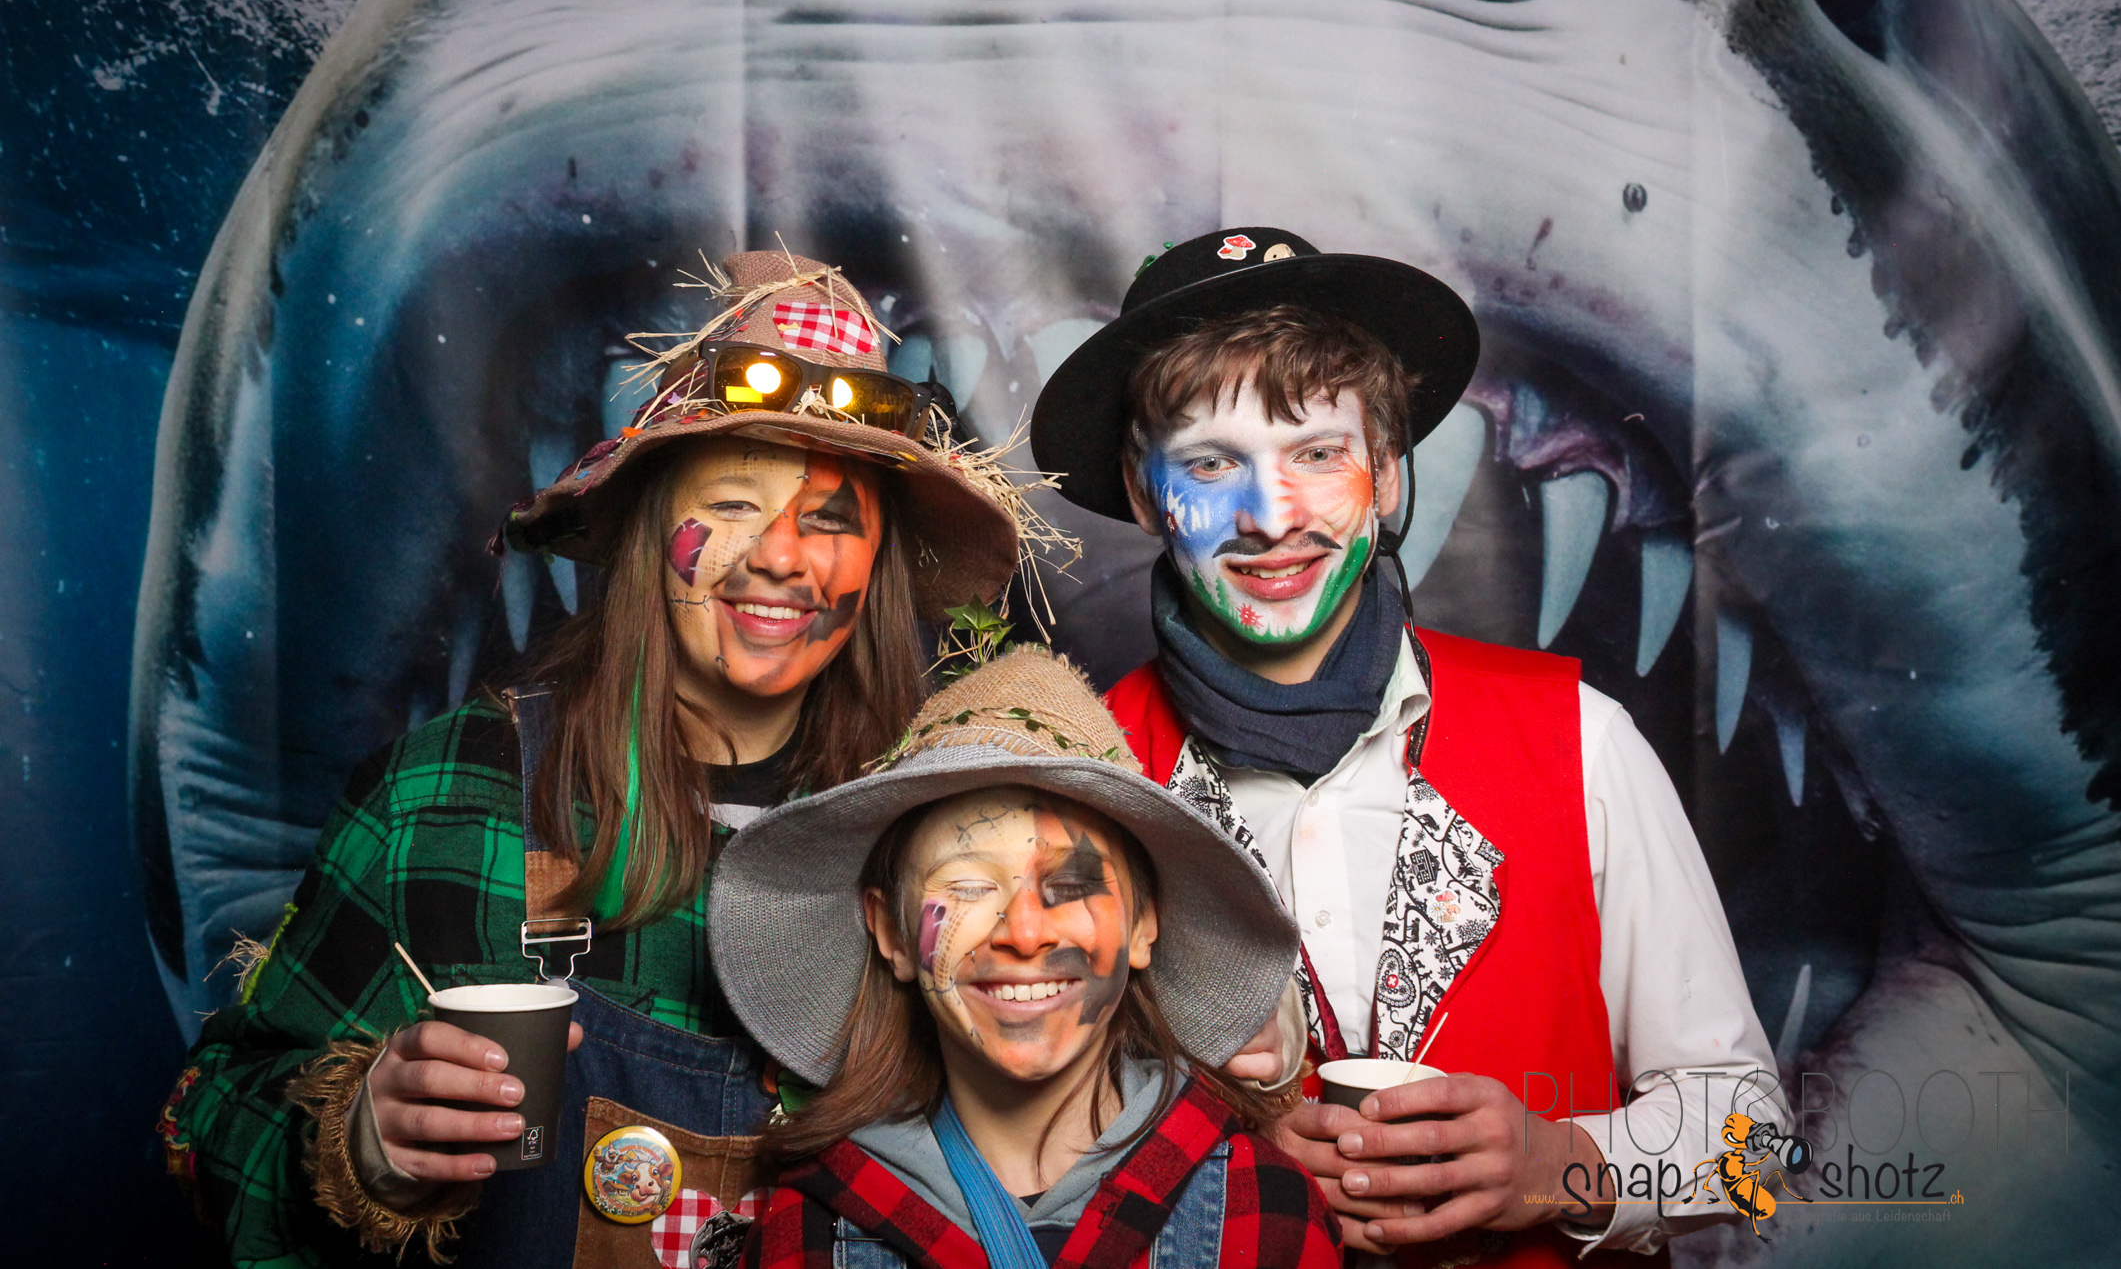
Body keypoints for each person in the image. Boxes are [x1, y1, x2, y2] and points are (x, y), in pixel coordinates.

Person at [161, 252, 1027, 1268]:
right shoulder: (443, 801)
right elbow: (207, 1122)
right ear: (651, 526)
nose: (781, 556)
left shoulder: (936, 830)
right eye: (734, 503)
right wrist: (361, 1144)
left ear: (876, 563)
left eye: (832, 520)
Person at [1029, 228, 1783, 1265]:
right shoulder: (1082, 774)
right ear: (1144, 490)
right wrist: (1208, 1152)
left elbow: (1758, 1147)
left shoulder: (1579, 741)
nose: (1269, 518)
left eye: (1317, 454)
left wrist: (1562, 1163)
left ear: (1384, 472)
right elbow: (1011, 1146)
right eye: (1210, 464)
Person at [708, 646, 1343, 1269]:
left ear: (1144, 923)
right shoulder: (807, 1235)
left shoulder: (1265, 1214)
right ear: (892, 933)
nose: (1025, 932)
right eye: (967, 887)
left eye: (1072, 884)